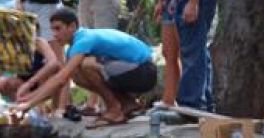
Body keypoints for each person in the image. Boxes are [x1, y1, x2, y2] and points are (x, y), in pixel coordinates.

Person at [14, 7, 157, 127]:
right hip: (133, 70)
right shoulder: (75, 46)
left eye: (58, 29)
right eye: (53, 30)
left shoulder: (83, 40)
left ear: (72, 27)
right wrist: (27, 99)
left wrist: (28, 104)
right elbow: (63, 78)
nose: (55, 35)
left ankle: (114, 111)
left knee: (86, 65)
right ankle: (128, 104)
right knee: (77, 75)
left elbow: (60, 79)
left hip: (145, 71)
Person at [0, 34, 61, 104]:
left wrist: (30, 82)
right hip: (24, 81)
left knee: (53, 68)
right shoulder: (12, 46)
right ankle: (18, 104)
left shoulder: (38, 42)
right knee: (1, 82)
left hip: (40, 79)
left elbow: (54, 63)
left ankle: (42, 104)